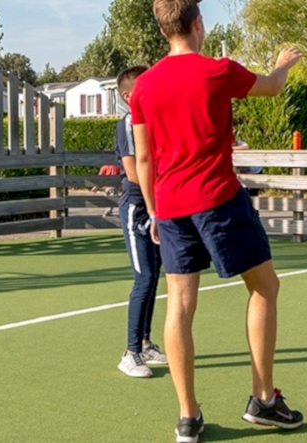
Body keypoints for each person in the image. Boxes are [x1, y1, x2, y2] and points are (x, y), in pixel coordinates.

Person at [130, 1, 303, 440]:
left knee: (180, 306)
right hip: (218, 199)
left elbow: (145, 158)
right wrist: (283, 64)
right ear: (196, 23)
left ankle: (188, 416)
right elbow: (273, 87)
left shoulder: (143, 87)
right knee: (265, 287)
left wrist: (153, 210)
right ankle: (263, 399)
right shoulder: (217, 70)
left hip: (169, 207)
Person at [112, 65, 168, 379]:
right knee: (144, 277)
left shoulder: (152, 121)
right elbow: (134, 172)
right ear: (128, 96)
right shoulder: (128, 124)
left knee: (154, 275)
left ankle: (145, 343)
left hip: (155, 206)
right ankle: (130, 352)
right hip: (137, 207)